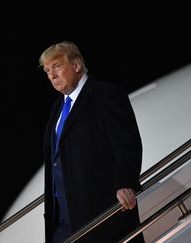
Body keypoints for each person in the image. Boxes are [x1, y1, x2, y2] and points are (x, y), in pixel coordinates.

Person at [39, 41, 144, 243]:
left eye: (57, 66)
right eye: (47, 71)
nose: (51, 75)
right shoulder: (56, 109)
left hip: (100, 213)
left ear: (76, 65)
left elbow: (127, 143)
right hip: (61, 221)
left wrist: (125, 182)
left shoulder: (105, 95)